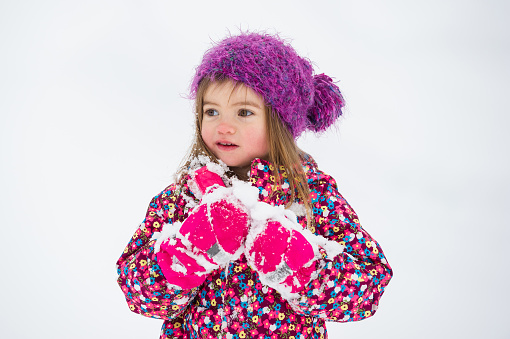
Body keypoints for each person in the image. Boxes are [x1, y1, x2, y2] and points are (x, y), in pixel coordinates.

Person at [116, 32, 392, 339]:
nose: (224, 125)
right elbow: (136, 292)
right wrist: (182, 256)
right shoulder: (184, 197)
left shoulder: (311, 197)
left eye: (244, 112)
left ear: (280, 122)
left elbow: (370, 286)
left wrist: (305, 272)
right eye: (212, 111)